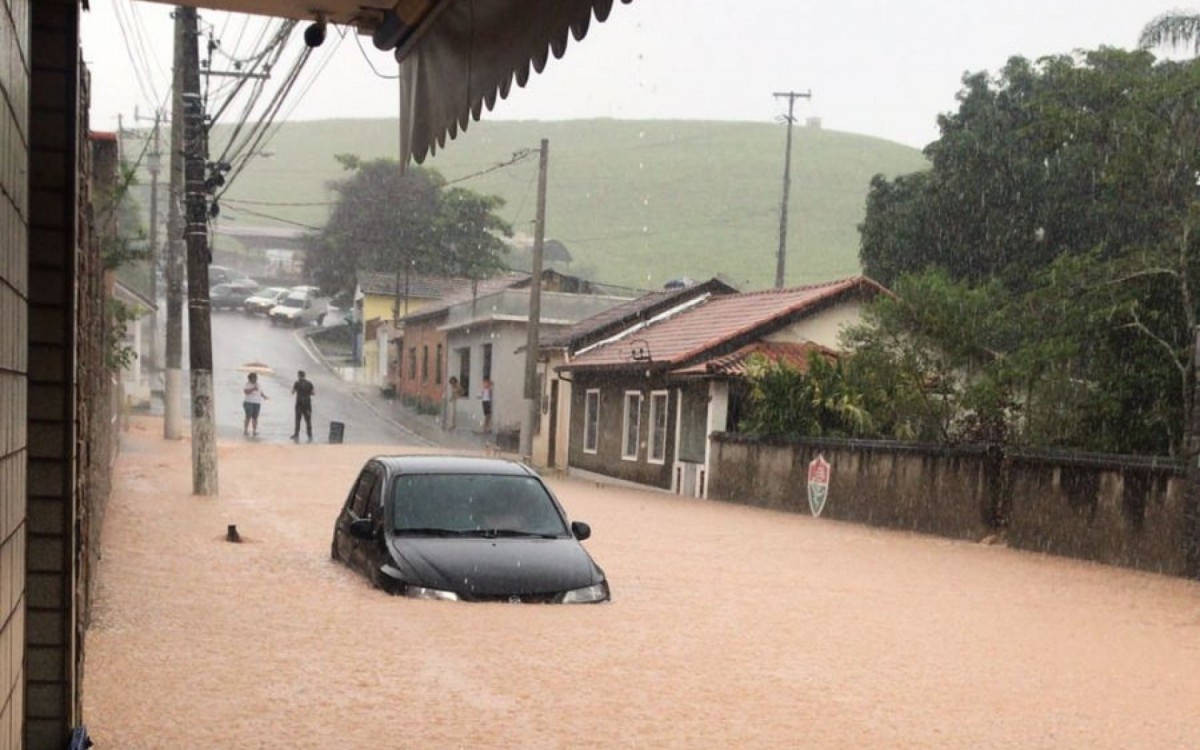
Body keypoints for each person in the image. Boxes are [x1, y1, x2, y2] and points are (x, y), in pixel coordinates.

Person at [291, 370, 315, 442]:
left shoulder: (297, 383)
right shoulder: (310, 383)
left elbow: (293, 392)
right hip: (307, 405)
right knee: (308, 421)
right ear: (304, 376)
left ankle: (296, 434)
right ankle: (310, 435)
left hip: (299, 404)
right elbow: (313, 393)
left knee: (298, 420)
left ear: (299, 376)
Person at [242, 372, 267, 437]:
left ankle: (254, 431)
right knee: (248, 417)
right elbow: (246, 392)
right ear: (250, 378)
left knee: (255, 418)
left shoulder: (258, 384)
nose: (255, 379)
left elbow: (260, 392)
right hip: (248, 402)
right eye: (254, 377)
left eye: (256, 377)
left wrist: (264, 396)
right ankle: (245, 430)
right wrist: (253, 389)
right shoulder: (247, 384)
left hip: (257, 403)